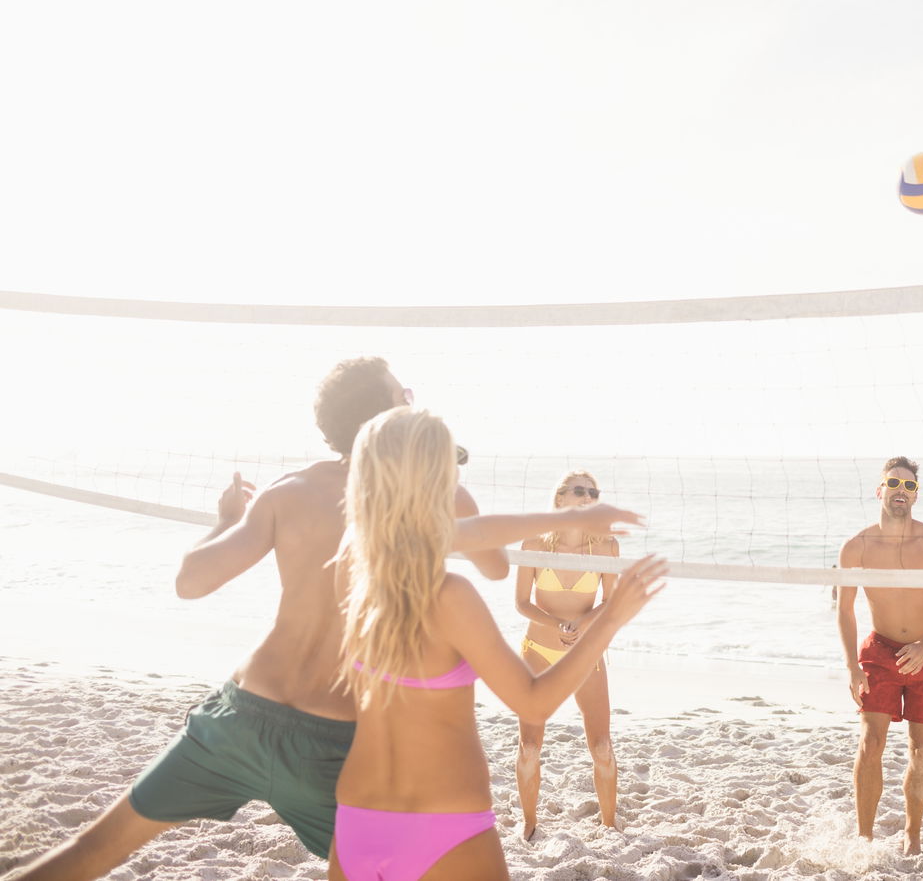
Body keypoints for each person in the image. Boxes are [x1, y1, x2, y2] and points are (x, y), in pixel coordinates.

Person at [3, 357, 643, 881]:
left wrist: (229, 519)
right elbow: (498, 574)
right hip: (355, 761)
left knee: (96, 850)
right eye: (405, 390)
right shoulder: (441, 548)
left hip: (248, 722)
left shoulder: (317, 525)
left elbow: (190, 582)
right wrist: (591, 580)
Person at [328, 408, 666, 881]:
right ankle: (531, 823)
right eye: (453, 471)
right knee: (532, 738)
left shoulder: (350, 566)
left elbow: (478, 542)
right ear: (439, 485)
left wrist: (566, 519)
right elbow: (535, 697)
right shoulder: (450, 598)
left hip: (360, 816)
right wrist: (611, 618)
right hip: (445, 817)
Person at [835, 456, 923, 855]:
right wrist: (852, 666)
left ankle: (912, 835)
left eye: (909, 486)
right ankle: (865, 836)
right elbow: (844, 610)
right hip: (879, 651)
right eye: (894, 483)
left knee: (921, 750)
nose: (901, 491)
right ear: (880, 490)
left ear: (916, 496)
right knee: (870, 742)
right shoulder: (856, 546)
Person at [511, 469, 625, 838]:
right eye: (579, 489)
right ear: (560, 497)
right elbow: (521, 604)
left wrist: (582, 624)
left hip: (584, 653)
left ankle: (609, 825)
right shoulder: (533, 544)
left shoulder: (607, 547)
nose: (588, 495)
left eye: (593, 491)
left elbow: (610, 603)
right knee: (529, 747)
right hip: (538, 651)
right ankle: (529, 824)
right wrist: (557, 623)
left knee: (603, 747)